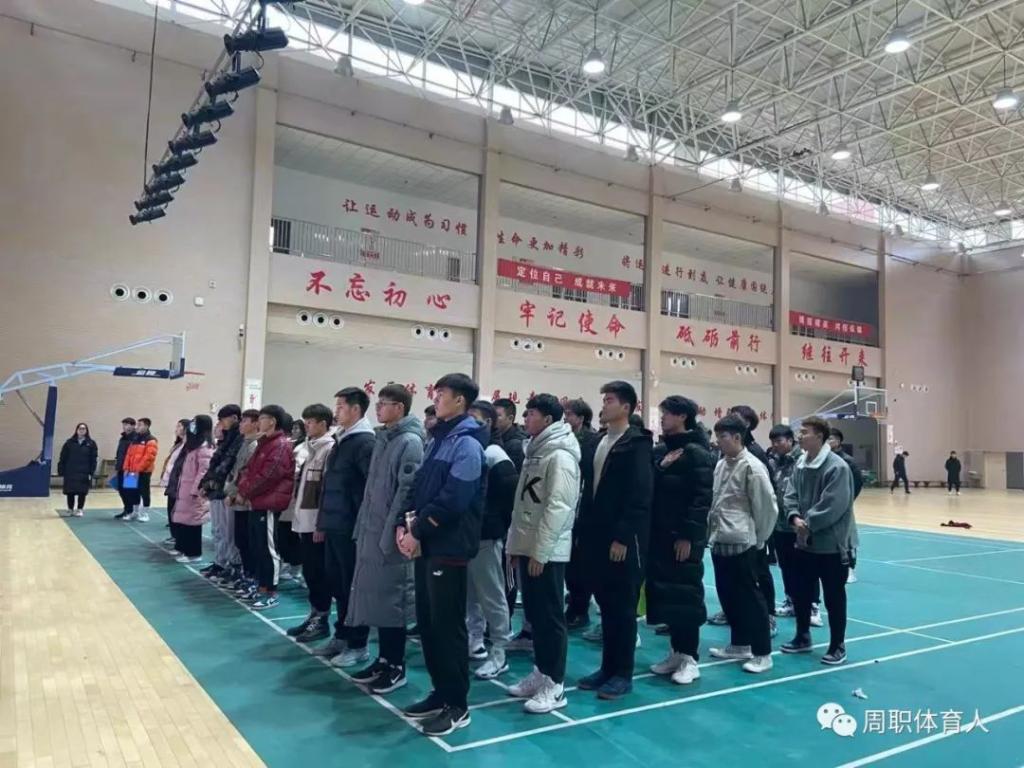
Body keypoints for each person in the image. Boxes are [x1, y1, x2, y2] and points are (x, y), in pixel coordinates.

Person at [396, 373, 485, 737]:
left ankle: (457, 705)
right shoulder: (438, 438)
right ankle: (440, 693)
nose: (435, 398)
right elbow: (418, 487)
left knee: (448, 627)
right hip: (427, 543)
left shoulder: (468, 445)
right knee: (429, 624)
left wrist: (418, 529)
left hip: (449, 547)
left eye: (442, 393)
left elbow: (455, 499)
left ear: (460, 400)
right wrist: (403, 525)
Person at [576, 381, 653, 700]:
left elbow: (639, 495)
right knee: (606, 605)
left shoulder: (637, 444)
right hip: (596, 535)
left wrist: (622, 537)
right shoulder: (598, 441)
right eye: (604, 399)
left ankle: (623, 673)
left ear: (626, 407)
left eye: (609, 400)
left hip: (623, 540)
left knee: (622, 607)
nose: (604, 405)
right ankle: (607, 668)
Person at [346, 385, 425, 694]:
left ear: (400, 408)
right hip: (372, 531)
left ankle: (396, 666)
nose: (377, 408)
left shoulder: (410, 442)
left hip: (391, 538)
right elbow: (371, 492)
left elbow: (407, 492)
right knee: (377, 601)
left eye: (384, 403)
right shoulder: (385, 439)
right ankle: (382, 660)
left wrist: (393, 533)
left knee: (394, 604)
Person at [505, 394, 581, 713]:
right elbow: (522, 503)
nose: (525, 418)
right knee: (535, 615)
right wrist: (515, 546)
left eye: (531, 413)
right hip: (529, 547)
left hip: (546, 552)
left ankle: (555, 684)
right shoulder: (535, 451)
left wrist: (540, 551)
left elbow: (559, 507)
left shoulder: (560, 455)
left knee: (550, 618)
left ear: (548, 419)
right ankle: (541, 671)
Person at [646, 396, 716, 686]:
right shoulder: (662, 451)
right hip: (660, 535)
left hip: (684, 537)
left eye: (667, 413)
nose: (662, 418)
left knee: (686, 595)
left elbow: (701, 500)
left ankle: (690, 658)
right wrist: (661, 466)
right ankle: (675, 652)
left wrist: (688, 535)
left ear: (683, 416)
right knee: (669, 595)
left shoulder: (697, 453)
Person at [781, 416, 857, 666]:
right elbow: (790, 494)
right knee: (802, 593)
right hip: (804, 543)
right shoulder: (801, 464)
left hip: (832, 545)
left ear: (820, 437)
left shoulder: (837, 467)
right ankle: (802, 636)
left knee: (834, 597)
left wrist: (808, 523)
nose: (800, 436)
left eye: (805, 432)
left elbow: (834, 505)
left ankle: (837, 645)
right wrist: (794, 517)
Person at [706, 414, 777, 674]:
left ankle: (762, 652)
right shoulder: (721, 464)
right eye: (717, 437)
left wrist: (759, 540)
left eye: (722, 437)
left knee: (750, 599)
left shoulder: (752, 467)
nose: (718, 442)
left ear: (737, 437)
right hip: (720, 540)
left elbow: (767, 508)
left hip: (744, 543)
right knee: (728, 595)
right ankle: (739, 644)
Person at [313, 388, 376, 667]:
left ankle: (358, 644)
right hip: (335, 525)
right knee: (338, 584)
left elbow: (368, 490)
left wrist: (360, 527)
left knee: (353, 587)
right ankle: (341, 635)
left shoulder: (364, 442)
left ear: (355, 409)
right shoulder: (343, 439)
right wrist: (323, 523)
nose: (335, 411)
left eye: (340, 406)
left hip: (351, 528)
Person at [465, 400, 518, 680]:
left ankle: (500, 651)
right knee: (470, 594)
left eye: (473, 418)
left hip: (487, 536)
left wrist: (498, 529)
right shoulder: (468, 449)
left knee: (492, 595)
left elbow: (510, 499)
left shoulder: (495, 455)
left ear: (487, 423)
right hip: (466, 536)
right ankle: (474, 641)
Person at [286, 404, 337, 644]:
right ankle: (314, 614)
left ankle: (322, 620)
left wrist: (321, 524)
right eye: (305, 421)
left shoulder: (329, 448)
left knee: (319, 573)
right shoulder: (310, 447)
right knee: (309, 572)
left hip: (316, 523)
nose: (306, 426)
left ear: (323, 424)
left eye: (310, 422)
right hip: (303, 519)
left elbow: (326, 490)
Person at [236, 405, 296, 610]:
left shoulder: (280, 445)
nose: (259, 422)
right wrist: (242, 489)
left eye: (262, 418)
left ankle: (271, 592)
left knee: (268, 549)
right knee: (257, 547)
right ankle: (260, 586)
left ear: (272, 421)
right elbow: (248, 470)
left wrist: (245, 492)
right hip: (257, 502)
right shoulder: (264, 443)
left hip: (269, 503)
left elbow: (268, 476)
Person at [768, 425, 821, 627]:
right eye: (773, 442)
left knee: (806, 567)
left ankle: (813, 606)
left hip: (799, 523)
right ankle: (791, 600)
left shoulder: (803, 460)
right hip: (780, 524)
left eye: (779, 441)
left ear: (790, 441)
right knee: (786, 565)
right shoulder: (775, 461)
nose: (775, 445)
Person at [564, 398, 600, 631]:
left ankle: (580, 609)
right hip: (568, 504)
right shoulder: (566, 438)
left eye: (570, 414)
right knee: (569, 562)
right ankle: (575, 603)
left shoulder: (592, 442)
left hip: (584, 507)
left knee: (580, 563)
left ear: (581, 417)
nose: (566, 418)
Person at [198, 405, 244, 582]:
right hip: (217, 489)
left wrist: (211, 482)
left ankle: (233, 565)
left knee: (228, 533)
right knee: (218, 530)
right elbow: (216, 463)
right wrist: (206, 483)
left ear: (234, 418)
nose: (220, 424)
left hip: (226, 490)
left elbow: (228, 464)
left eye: (222, 420)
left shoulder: (239, 439)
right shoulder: (227, 438)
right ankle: (220, 562)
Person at [224, 410, 262, 591]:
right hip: (236, 497)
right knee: (240, 539)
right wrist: (230, 492)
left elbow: (247, 474)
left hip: (245, 501)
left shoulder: (255, 446)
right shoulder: (245, 443)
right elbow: (236, 472)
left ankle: (252, 576)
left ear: (255, 424)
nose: (241, 424)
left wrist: (236, 494)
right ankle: (246, 574)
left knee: (247, 541)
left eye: (245, 421)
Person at [170, 416, 215, 564]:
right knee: (184, 520)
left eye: (195, 423)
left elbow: (203, 471)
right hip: (184, 489)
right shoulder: (193, 446)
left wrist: (196, 490)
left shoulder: (205, 447)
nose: (192, 426)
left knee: (193, 522)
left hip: (193, 492)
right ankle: (183, 548)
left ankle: (194, 553)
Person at [828, 428, 863, 584]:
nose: (828, 442)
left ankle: (850, 568)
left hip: (844, 507)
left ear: (838, 441)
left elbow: (857, 482)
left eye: (831, 439)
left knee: (848, 537)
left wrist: (847, 500)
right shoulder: (824, 459)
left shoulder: (848, 461)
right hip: (829, 507)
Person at [277, 422, 308, 582]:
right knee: (283, 533)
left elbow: (294, 470)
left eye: (298, 428)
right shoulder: (291, 445)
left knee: (291, 534)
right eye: (293, 428)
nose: (295, 431)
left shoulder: (304, 447)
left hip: (294, 497)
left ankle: (294, 564)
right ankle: (288, 562)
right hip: (285, 496)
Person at [57, 423, 98, 516]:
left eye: (84, 429)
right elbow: (63, 457)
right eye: (80, 428)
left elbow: (94, 458)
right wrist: (61, 469)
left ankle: (80, 509)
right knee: (70, 492)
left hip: (84, 471)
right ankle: (70, 509)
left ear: (86, 431)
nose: (81, 430)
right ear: (76, 430)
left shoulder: (91, 443)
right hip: (70, 471)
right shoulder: (69, 443)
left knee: (82, 492)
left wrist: (92, 471)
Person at [160, 419, 189, 545]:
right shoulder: (178, 444)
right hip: (171, 482)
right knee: (171, 509)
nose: (176, 428)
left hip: (179, 483)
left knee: (138, 491)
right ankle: (174, 535)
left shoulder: (188, 446)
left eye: (179, 426)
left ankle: (140, 512)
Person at [124, 418, 159, 522]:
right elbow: (128, 455)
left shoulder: (151, 440)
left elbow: (149, 457)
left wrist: (138, 470)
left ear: (146, 426)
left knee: (144, 492)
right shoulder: (134, 439)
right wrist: (126, 468)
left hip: (143, 472)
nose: (137, 427)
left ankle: (145, 514)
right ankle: (135, 512)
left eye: (140, 425)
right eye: (137, 424)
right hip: (131, 471)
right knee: (131, 491)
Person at [494, 398, 528, 472]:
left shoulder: (516, 444)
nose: (493, 419)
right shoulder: (495, 435)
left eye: (498, 416)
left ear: (510, 418)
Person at [113, 417, 136, 520]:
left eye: (126, 424)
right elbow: (120, 452)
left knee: (129, 490)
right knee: (122, 490)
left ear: (133, 426)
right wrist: (117, 465)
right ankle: (126, 509)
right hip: (121, 468)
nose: (124, 427)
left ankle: (132, 511)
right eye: (123, 425)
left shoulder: (135, 438)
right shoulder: (123, 438)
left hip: (131, 470)